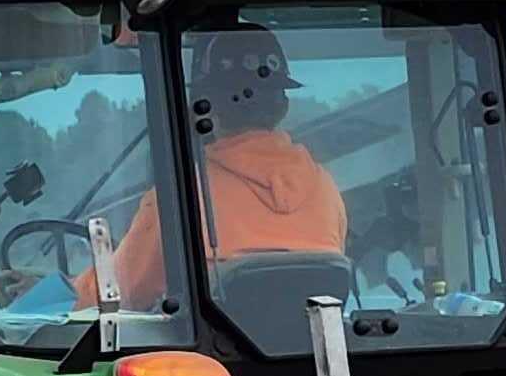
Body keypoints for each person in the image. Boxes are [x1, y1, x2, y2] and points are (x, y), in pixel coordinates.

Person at [102, 27, 344, 310]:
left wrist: (64, 291)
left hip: (212, 355)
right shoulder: (325, 189)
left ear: (204, 105)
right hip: (313, 352)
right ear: (283, 106)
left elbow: (119, 294)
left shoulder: (177, 197)